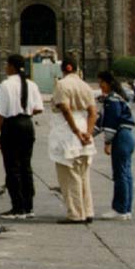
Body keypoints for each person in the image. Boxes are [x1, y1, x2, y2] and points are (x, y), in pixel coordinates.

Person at [0, 54, 45, 220]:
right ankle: (29, 206)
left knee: (12, 167)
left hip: (12, 126)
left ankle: (17, 207)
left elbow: (1, 113)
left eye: (7, 65)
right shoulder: (31, 84)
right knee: (26, 167)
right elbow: (39, 108)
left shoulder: (6, 84)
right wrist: (27, 111)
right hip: (28, 125)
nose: (5, 68)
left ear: (12, 67)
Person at [49, 58, 98, 224]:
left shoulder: (61, 85)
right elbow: (93, 112)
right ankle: (88, 210)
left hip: (68, 133)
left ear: (64, 69)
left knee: (69, 175)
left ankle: (76, 214)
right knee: (83, 175)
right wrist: (88, 133)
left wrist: (76, 132)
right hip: (85, 130)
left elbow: (65, 109)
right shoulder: (86, 86)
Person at [95, 71, 135, 220]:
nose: (100, 85)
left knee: (120, 174)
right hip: (128, 136)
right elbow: (101, 123)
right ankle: (126, 209)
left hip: (121, 136)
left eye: (102, 82)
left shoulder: (112, 100)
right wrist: (89, 133)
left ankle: (119, 209)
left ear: (109, 83)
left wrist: (107, 142)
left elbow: (110, 123)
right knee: (126, 174)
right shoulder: (119, 98)